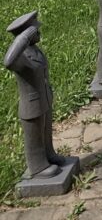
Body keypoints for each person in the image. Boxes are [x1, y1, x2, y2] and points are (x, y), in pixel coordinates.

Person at [4, 12, 65, 180]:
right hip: (31, 103)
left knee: (45, 130)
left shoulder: (34, 51)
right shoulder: (20, 57)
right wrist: (23, 38)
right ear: (26, 35)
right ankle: (37, 167)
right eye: (35, 30)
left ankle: (49, 154)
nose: (39, 32)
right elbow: (8, 61)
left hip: (43, 98)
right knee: (35, 135)